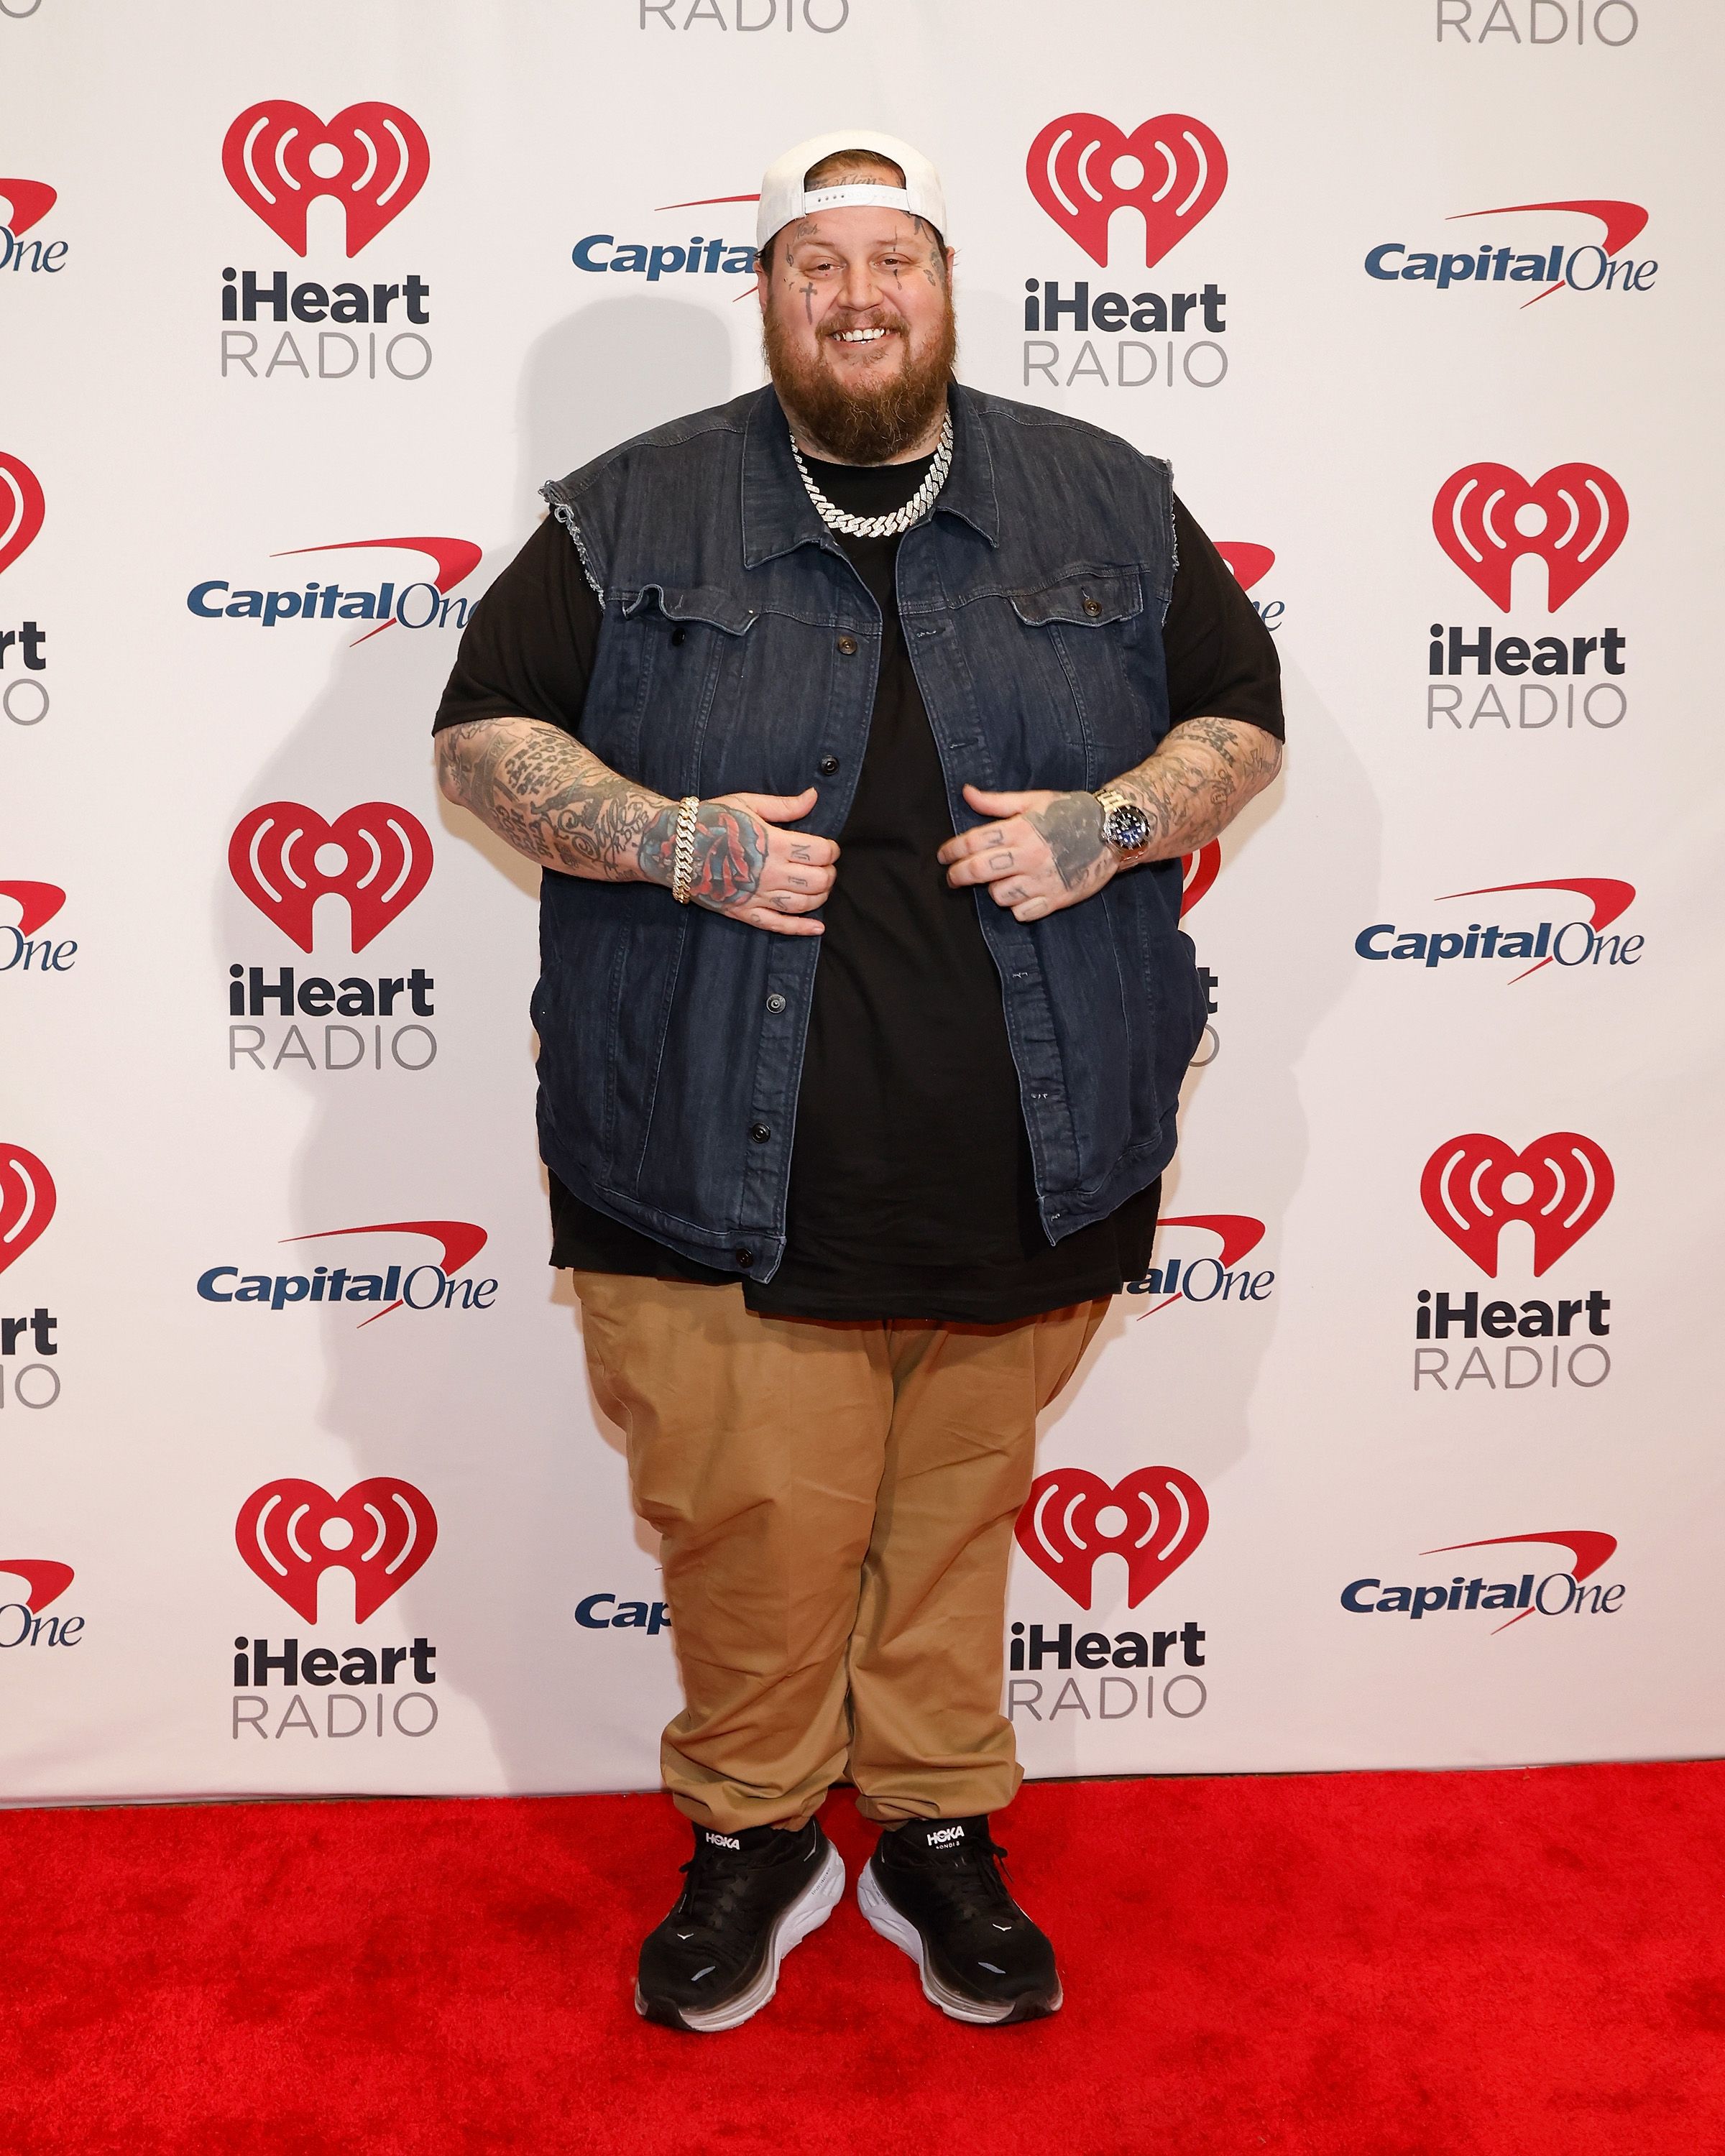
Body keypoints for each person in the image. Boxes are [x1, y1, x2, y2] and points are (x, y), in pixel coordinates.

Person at [433, 128, 1283, 2032]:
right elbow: (483, 739)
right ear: (771, 293)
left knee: (952, 1521)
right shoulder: (627, 509)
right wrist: (667, 838)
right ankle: (752, 1831)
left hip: (1032, 1148)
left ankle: (934, 1826)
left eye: (892, 257)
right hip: (702, 1156)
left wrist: (1121, 818)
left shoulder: (1102, 496)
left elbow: (1243, 713)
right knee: (752, 1529)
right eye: (819, 264)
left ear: (949, 277)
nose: (858, 296)